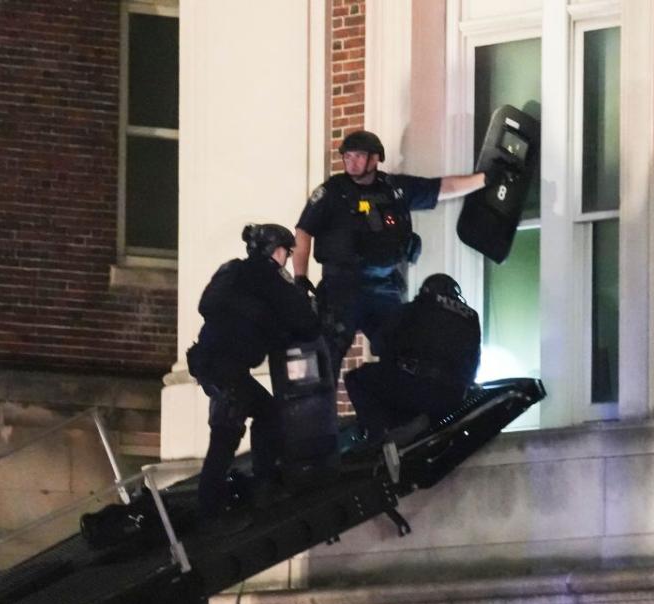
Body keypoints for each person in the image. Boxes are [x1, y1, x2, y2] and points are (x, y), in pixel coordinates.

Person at [292, 129, 486, 376]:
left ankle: (398, 411)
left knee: (404, 352)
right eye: (347, 157)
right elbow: (303, 231)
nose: (351, 163)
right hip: (341, 287)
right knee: (326, 359)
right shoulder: (331, 192)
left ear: (375, 159)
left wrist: (485, 180)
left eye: (359, 156)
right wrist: (300, 277)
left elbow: (443, 187)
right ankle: (320, 414)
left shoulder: (394, 189)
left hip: (384, 286)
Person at [186, 223, 319, 518]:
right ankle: (215, 508)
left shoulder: (232, 271)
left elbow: (206, 305)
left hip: (210, 361)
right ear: (277, 251)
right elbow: (307, 325)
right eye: (286, 252)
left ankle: (252, 486)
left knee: (266, 413)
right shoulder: (270, 280)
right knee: (225, 437)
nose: (286, 259)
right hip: (228, 368)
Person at [344, 273, 481, 445]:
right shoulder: (471, 318)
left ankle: (378, 440)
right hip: (453, 398)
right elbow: (473, 368)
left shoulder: (416, 307)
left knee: (356, 379)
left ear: (425, 290)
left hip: (416, 387)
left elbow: (378, 346)